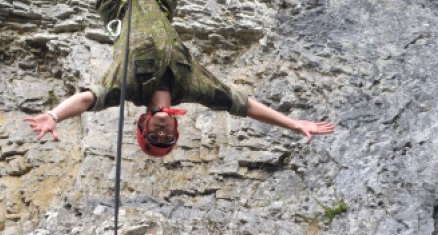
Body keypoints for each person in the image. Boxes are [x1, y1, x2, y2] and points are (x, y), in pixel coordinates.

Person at [25, 0, 334, 157]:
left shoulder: (127, 87)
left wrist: (54, 115)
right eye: (166, 139)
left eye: (153, 138)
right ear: (176, 127)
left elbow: (86, 99)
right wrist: (295, 124)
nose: (160, 134)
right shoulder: (194, 87)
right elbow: (243, 105)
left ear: (143, 124)